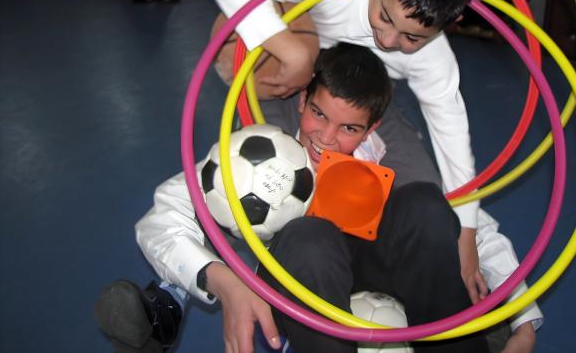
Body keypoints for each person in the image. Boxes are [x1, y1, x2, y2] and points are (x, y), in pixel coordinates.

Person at [95, 43, 491, 353]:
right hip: (297, 275)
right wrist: (227, 283)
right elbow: (159, 219)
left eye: (350, 127)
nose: (327, 138)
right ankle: (167, 303)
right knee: (309, 236)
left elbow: (461, 222)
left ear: (371, 128)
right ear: (302, 100)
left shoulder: (395, 151)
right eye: (318, 114)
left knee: (425, 202)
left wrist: (521, 307)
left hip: (371, 264)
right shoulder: (259, 148)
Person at [210, 0, 487, 304]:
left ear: (449, 24)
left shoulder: (435, 60)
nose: (388, 40)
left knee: (426, 198)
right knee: (259, 174)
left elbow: (454, 142)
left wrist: (466, 235)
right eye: (385, 16)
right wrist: (292, 53)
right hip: (304, 88)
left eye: (412, 37)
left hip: (366, 100)